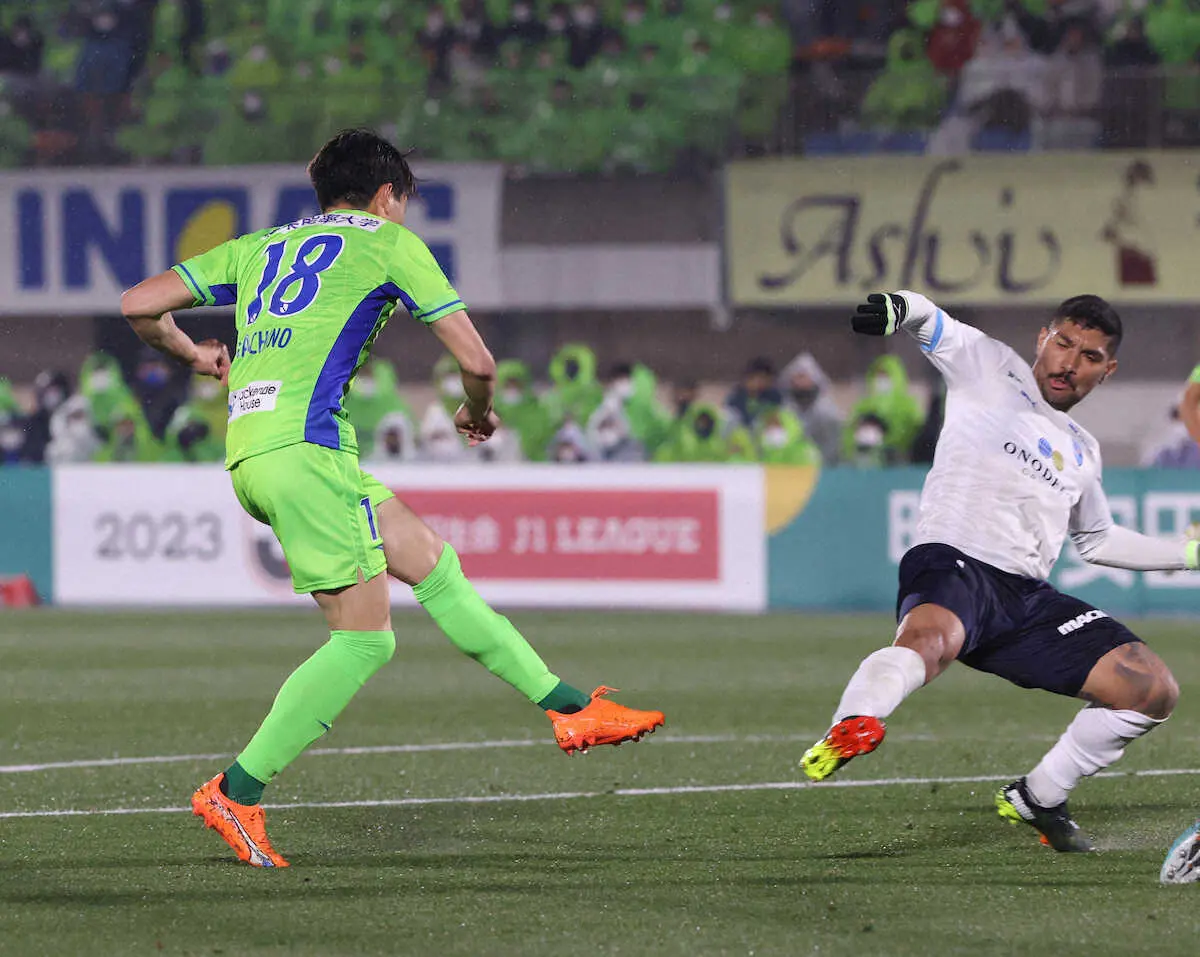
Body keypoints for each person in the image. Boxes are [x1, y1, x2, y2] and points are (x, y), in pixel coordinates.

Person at [120, 129, 664, 868]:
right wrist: (476, 410)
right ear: (385, 196)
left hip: (259, 450)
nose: (401, 216)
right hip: (305, 454)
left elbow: (139, 303)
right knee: (366, 638)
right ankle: (236, 790)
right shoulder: (385, 241)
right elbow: (478, 360)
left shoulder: (262, 246)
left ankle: (571, 709)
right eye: (402, 203)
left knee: (432, 561)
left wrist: (195, 353)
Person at [801, 290, 1193, 853]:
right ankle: (854, 722)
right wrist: (895, 307)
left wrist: (1188, 555)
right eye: (1063, 344)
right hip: (954, 560)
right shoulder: (989, 365)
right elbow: (928, 319)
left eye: (1088, 356)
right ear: (1044, 339)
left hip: (1027, 599)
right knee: (932, 640)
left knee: (1151, 689)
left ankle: (1040, 796)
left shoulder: (1083, 450)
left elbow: (1099, 540)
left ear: (1107, 372)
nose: (1068, 362)